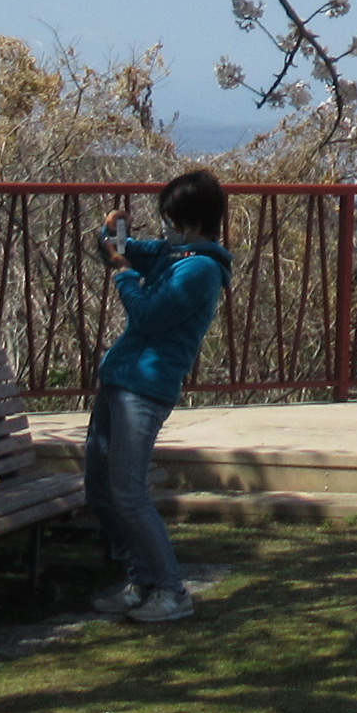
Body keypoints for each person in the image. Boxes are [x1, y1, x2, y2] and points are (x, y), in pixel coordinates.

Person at [84, 168, 234, 626]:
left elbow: (148, 315)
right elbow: (122, 251)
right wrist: (115, 232)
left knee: (128, 492)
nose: (165, 226)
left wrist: (125, 275)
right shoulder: (176, 253)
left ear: (193, 221)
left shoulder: (201, 269)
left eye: (172, 218)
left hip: (147, 385)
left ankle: (171, 590)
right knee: (101, 489)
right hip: (121, 377)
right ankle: (141, 580)